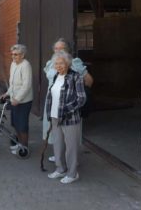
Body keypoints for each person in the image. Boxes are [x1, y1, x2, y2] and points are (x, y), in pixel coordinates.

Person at [43, 38, 93, 162]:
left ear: (68, 50)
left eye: (62, 48)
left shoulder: (74, 62)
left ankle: (69, 161)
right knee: (56, 130)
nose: (58, 50)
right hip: (52, 102)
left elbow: (89, 81)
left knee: (68, 133)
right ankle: (59, 155)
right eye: (56, 48)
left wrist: (76, 93)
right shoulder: (51, 63)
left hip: (68, 105)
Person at [46, 51, 86, 184]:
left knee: (71, 146)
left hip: (70, 118)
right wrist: (49, 113)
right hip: (55, 116)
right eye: (56, 63)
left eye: (61, 63)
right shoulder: (57, 76)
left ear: (68, 63)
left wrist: (65, 110)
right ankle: (60, 168)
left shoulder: (76, 77)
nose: (58, 66)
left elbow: (81, 99)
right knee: (57, 144)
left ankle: (72, 173)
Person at [0, 44, 33, 155]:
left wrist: (18, 99)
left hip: (23, 101)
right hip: (14, 100)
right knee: (15, 124)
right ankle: (19, 144)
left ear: (23, 55)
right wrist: (7, 93)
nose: (13, 57)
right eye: (12, 54)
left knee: (22, 125)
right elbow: (12, 83)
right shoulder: (13, 64)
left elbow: (26, 85)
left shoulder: (26, 65)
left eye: (16, 54)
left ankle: (24, 147)